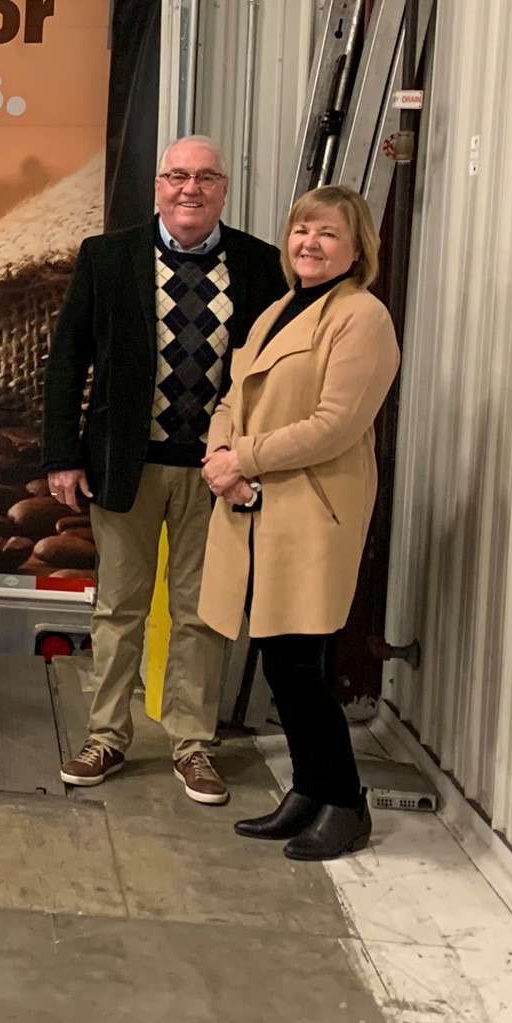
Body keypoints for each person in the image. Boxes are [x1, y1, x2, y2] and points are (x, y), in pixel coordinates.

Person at [43, 136, 289, 804]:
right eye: (178, 176)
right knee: (119, 607)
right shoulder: (108, 257)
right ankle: (105, 736)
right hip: (126, 465)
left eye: (205, 177)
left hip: (216, 472)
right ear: (158, 186)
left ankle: (192, 744)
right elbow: (67, 358)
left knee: (201, 612)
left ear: (224, 189)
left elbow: (272, 376)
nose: (190, 189)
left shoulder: (260, 266)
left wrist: (254, 457)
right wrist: (62, 454)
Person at [199, 185, 400, 859]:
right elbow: (233, 397)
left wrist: (244, 457)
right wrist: (220, 457)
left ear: (357, 248)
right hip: (257, 504)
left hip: (311, 511)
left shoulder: (361, 317)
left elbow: (335, 424)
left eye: (328, 234)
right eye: (301, 231)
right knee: (281, 661)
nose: (309, 244)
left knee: (298, 664)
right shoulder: (281, 308)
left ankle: (344, 802)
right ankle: (310, 789)